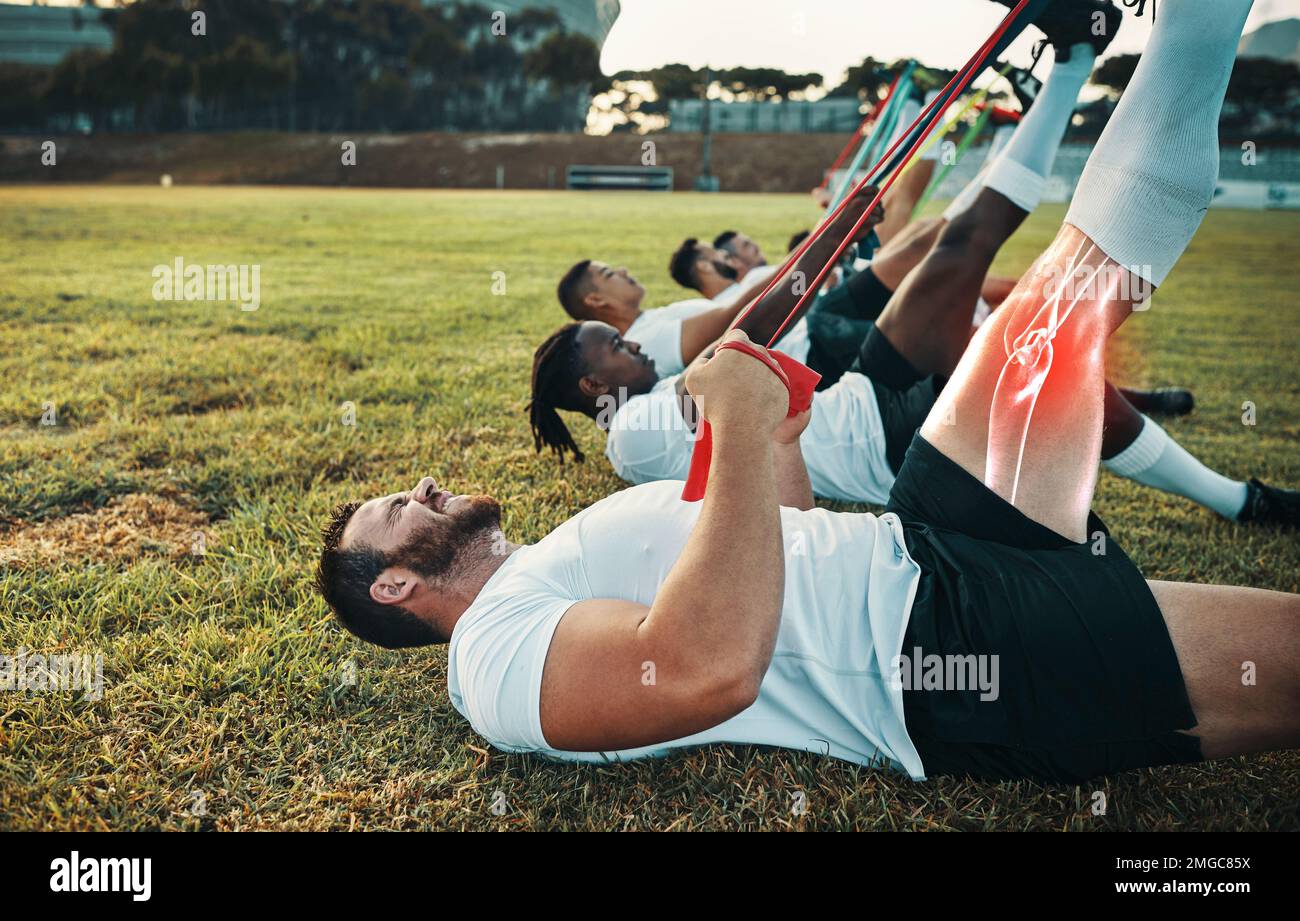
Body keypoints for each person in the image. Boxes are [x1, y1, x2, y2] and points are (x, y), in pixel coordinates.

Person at [316, 0, 1298, 784]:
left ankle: (1190, 17)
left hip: (918, 533)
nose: (421, 489)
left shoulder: (556, 561)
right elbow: (709, 668)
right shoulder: (488, 663)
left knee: (1068, 293)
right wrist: (739, 431)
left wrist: (777, 440)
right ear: (394, 586)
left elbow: (769, 546)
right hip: (938, 651)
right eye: (394, 514)